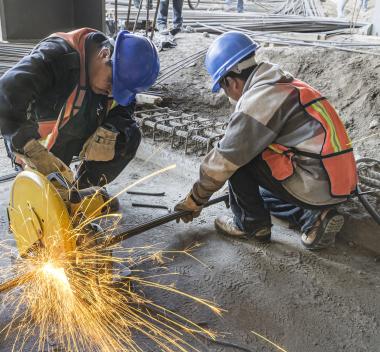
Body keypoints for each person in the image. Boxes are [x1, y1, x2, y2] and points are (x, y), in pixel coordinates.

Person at [174, 32, 358, 250]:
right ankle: (315, 218)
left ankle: (251, 225)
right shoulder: (284, 83)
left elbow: (225, 159)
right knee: (263, 195)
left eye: (223, 89)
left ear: (231, 81)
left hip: (315, 181)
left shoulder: (260, 100)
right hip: (338, 182)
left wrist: (196, 198)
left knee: (239, 160)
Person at [0, 28, 160, 196]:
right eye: (111, 82)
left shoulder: (114, 74)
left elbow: (125, 105)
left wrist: (113, 127)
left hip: (73, 133)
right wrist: (27, 146)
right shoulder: (58, 56)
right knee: (46, 201)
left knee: (128, 135)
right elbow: (6, 91)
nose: (112, 92)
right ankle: (36, 179)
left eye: (119, 90)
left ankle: (83, 189)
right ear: (104, 54)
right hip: (37, 146)